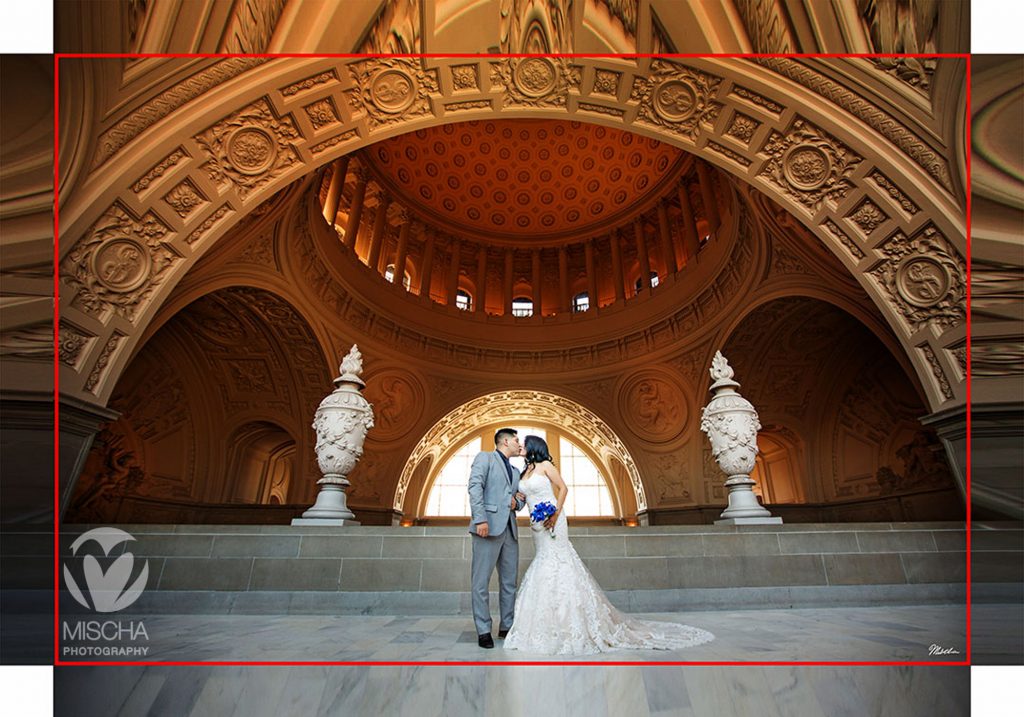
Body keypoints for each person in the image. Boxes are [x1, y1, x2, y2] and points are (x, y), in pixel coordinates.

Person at [502, 435, 715, 655]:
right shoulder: (523, 472)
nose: (521, 446)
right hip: (536, 525)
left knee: (558, 561)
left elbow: (563, 488)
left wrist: (555, 513)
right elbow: (522, 496)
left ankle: (571, 624)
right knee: (543, 560)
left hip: (554, 520)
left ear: (535, 447)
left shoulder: (546, 466)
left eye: (525, 444)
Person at [467, 427, 527, 648]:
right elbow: (475, 487)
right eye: (516, 440)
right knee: (480, 581)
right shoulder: (485, 458)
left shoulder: (515, 471)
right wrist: (480, 519)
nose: (518, 444)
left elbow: (520, 499)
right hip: (487, 527)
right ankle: (484, 630)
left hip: (510, 530)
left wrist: (516, 503)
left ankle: (506, 626)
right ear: (505, 441)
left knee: (509, 582)